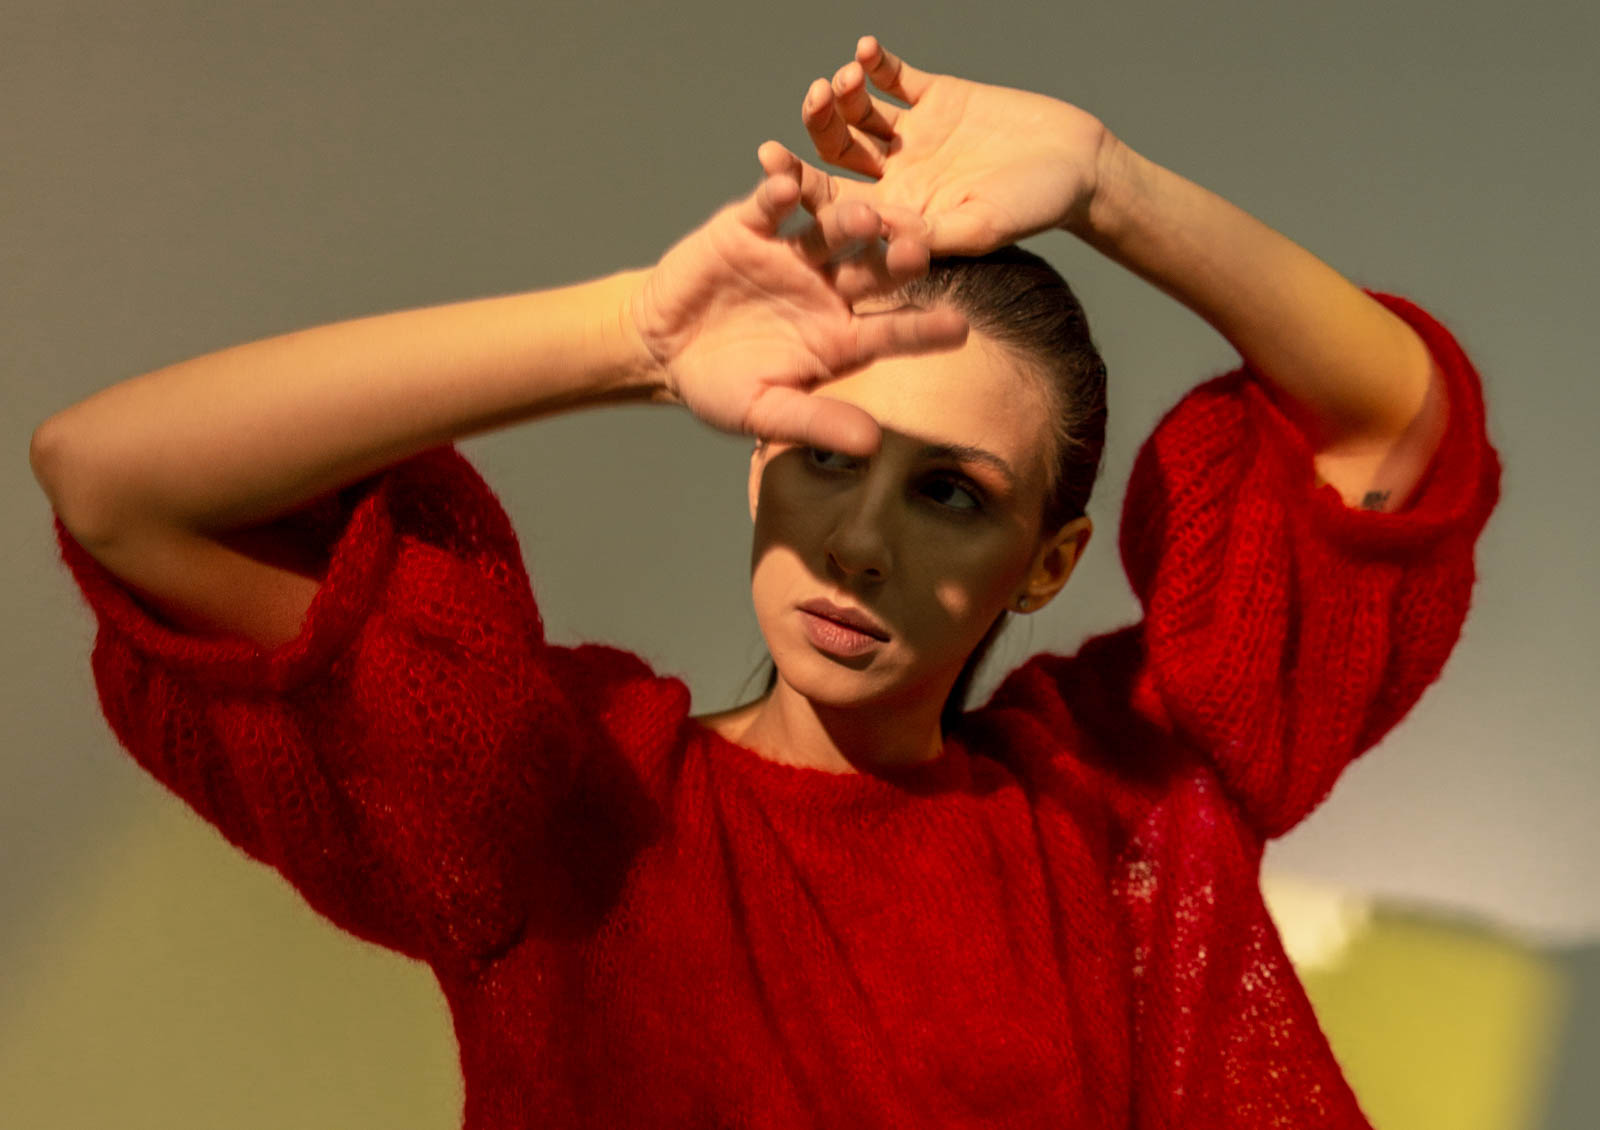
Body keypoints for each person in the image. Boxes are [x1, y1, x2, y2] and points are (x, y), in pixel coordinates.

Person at [31, 35, 1499, 1129]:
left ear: (1047, 564)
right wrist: (632, 338)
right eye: (825, 456)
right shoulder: (570, 807)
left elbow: (1394, 432)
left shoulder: (1116, 807)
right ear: (756, 467)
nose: (859, 541)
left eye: (949, 493)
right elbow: (113, 481)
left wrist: (1109, 181)